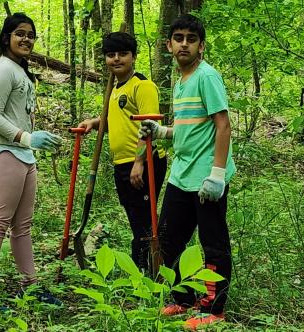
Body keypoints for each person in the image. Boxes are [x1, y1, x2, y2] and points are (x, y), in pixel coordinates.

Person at [139, 14, 236, 330]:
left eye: (190, 39)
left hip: (206, 178)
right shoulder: (181, 82)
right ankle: (183, 298)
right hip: (181, 176)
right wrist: (162, 131)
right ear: (169, 45)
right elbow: (191, 128)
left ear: (201, 47)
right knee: (169, 240)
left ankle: (213, 309)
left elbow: (223, 125)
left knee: (213, 244)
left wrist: (218, 174)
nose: (184, 44)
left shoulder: (207, 77)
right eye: (178, 38)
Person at [0, 12, 63, 306]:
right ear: (6, 38)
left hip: (24, 155)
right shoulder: (2, 70)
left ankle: (31, 285)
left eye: (30, 35)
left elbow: (17, 113)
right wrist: (26, 137)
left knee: (22, 225)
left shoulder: (20, 71)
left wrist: (32, 140)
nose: (26, 39)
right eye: (20, 33)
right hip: (3, 152)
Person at [78, 32, 167, 272]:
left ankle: (148, 270)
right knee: (135, 218)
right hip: (122, 164)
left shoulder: (143, 86)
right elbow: (118, 122)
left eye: (123, 54)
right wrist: (95, 123)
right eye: (110, 55)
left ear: (134, 56)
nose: (116, 59)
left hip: (144, 162)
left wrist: (139, 162)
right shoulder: (115, 89)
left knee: (144, 223)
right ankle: (145, 268)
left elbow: (148, 126)